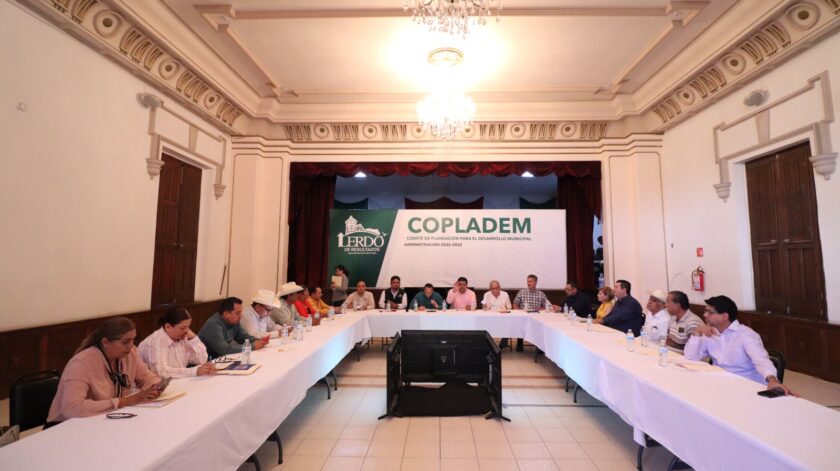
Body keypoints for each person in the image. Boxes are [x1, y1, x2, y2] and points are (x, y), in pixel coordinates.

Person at [48, 317, 162, 423]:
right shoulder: (81, 363)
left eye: (133, 340)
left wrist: (155, 387)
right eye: (125, 342)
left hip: (107, 417)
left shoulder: (130, 354)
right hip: (68, 424)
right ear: (105, 342)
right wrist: (123, 402)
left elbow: (147, 377)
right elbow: (72, 408)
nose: (131, 345)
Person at [684, 295, 794, 395]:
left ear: (724, 316)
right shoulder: (710, 333)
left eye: (710, 312)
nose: (704, 315)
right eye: (705, 311)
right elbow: (690, 358)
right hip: (720, 384)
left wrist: (772, 380)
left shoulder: (746, 335)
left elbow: (761, 360)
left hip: (747, 386)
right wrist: (696, 334)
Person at [138, 307, 215, 378]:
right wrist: (194, 371)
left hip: (179, 382)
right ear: (168, 327)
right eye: (182, 328)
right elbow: (161, 372)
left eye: (188, 326)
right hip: (155, 385)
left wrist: (193, 338)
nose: (186, 331)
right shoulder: (156, 341)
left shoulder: (183, 336)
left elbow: (202, 360)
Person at [198, 297, 267, 358]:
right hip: (206, 361)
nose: (241, 316)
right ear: (226, 314)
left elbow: (243, 337)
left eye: (241, 312)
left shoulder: (234, 321)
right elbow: (224, 350)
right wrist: (253, 346)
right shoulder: (213, 325)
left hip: (221, 358)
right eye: (238, 313)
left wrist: (258, 341)